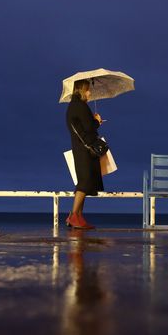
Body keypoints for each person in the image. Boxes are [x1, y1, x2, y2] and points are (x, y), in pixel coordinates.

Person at [65, 79, 104, 229]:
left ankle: (78, 216)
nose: (89, 93)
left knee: (85, 182)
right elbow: (88, 127)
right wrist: (97, 121)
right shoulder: (80, 106)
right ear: (81, 90)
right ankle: (74, 216)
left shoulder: (74, 106)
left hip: (80, 147)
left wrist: (92, 121)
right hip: (84, 148)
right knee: (84, 182)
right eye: (87, 90)